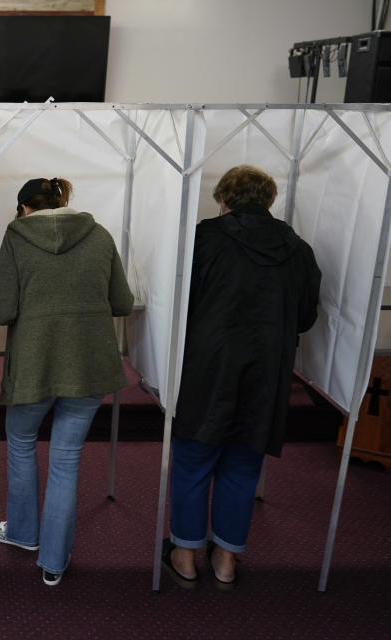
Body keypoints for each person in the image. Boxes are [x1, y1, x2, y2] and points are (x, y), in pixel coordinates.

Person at [161, 165, 321, 591]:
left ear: (224, 198)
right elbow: (306, 316)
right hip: (267, 373)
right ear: (268, 201)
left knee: (193, 462)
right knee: (243, 465)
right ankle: (226, 561)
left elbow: (176, 305)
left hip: (207, 369)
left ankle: (185, 555)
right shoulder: (298, 248)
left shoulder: (204, 238)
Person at [0, 177, 134, 586]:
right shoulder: (99, 234)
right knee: (66, 459)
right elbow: (122, 302)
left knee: (21, 444)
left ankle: (22, 534)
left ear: (25, 210)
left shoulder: (16, 236)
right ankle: (53, 563)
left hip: (34, 364)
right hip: (88, 365)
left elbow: (2, 310)